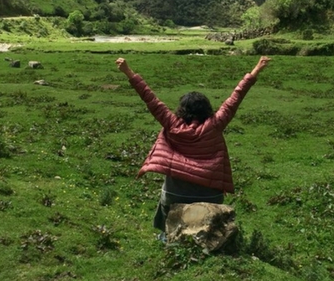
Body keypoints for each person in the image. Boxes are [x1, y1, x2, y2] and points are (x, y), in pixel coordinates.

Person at [115, 55, 271, 237]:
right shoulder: (215, 125)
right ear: (207, 109)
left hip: (174, 196)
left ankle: (167, 237)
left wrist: (128, 71)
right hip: (210, 198)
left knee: (166, 204)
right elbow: (236, 96)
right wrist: (256, 69)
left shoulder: (172, 124)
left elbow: (150, 98)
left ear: (182, 110)